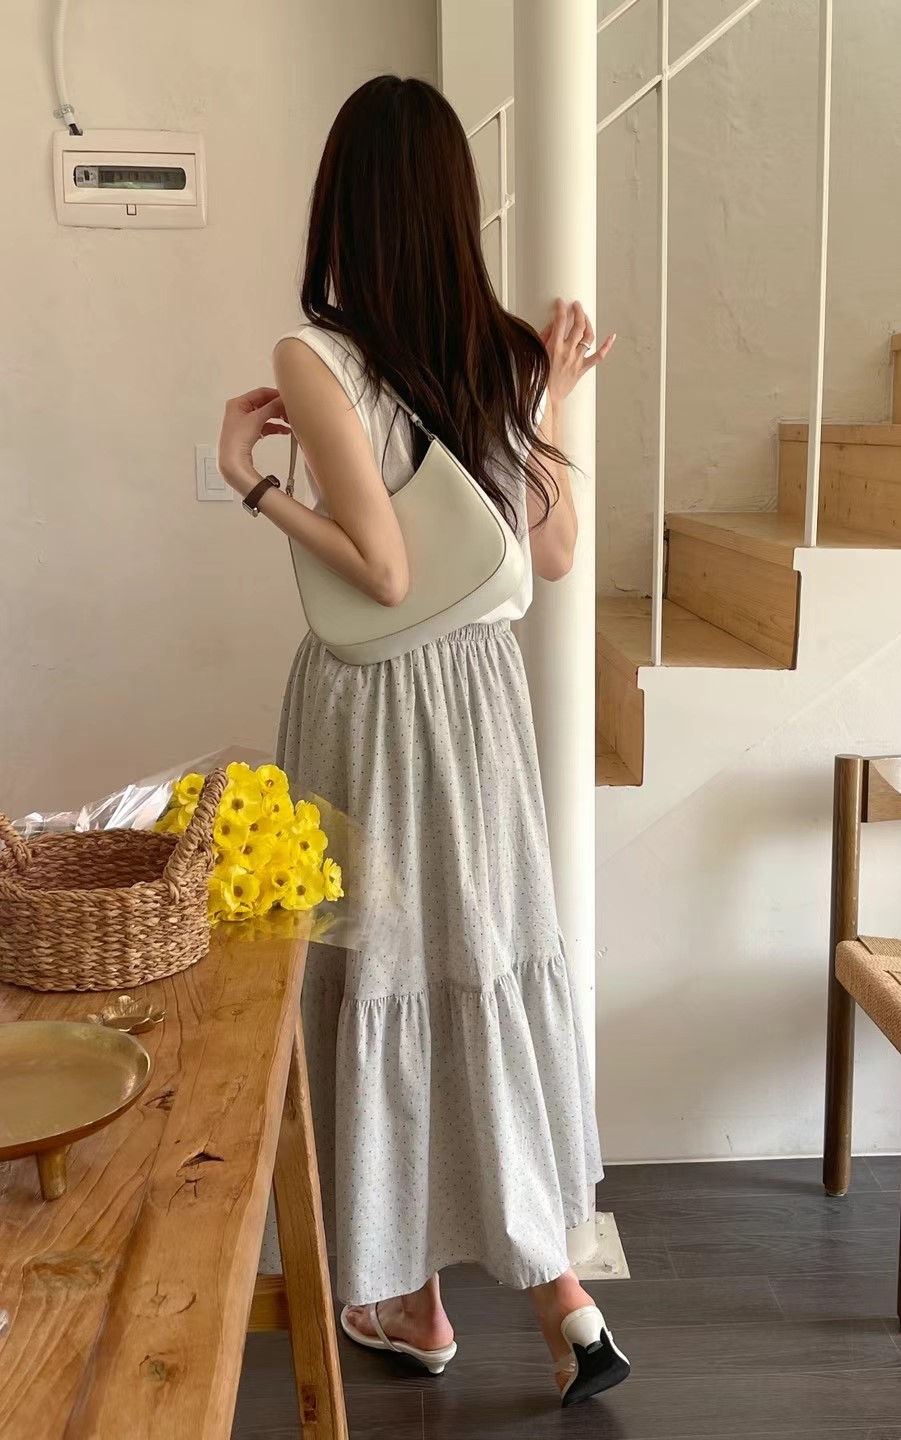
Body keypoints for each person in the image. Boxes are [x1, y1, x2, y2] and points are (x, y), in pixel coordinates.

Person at [215, 75, 627, 1407]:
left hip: (374, 709)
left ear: (343, 203)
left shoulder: (317, 357)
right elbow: (552, 555)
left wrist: (250, 484)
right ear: (455, 204)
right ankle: (564, 1297)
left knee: (383, 970)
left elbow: (382, 571)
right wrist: (547, 397)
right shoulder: (499, 350)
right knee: (483, 960)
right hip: (483, 705)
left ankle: (411, 1295)